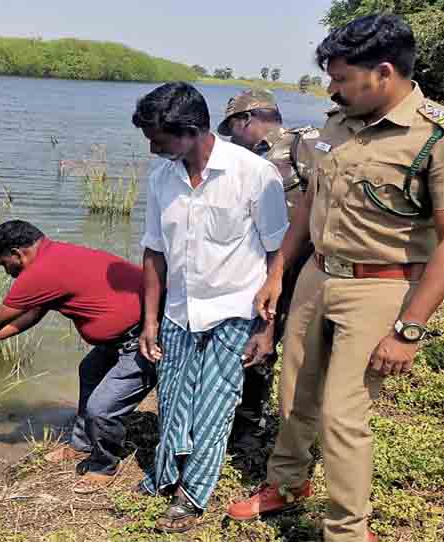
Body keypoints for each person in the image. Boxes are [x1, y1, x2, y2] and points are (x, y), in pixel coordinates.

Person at [226, 14, 444, 542]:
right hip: (317, 278)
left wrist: (409, 328)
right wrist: (279, 273)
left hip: (382, 285)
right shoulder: (338, 123)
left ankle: (347, 529)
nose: (331, 88)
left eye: (342, 79)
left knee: (343, 415)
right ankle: (288, 482)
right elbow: (310, 205)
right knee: (294, 391)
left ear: (383, 73)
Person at [132, 82, 289, 533]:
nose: (152, 148)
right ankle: (165, 475)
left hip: (236, 309)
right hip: (180, 310)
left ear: (192, 131)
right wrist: (150, 320)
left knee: (215, 405)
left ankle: (191, 495)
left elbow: (277, 253)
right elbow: (154, 251)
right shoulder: (162, 178)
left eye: (158, 139)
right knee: (174, 398)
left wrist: (266, 328)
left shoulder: (254, 174)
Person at [0, 220, 156, 494]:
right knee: (89, 371)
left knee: (101, 409)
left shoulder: (40, 272)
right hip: (120, 338)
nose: (7, 272)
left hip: (145, 339)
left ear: (17, 253)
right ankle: (81, 445)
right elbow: (30, 316)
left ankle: (104, 466)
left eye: (4, 264)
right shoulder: (56, 255)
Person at [218, 89, 318, 456]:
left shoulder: (300, 143)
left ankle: (287, 429)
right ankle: (246, 421)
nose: (231, 138)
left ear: (246, 119)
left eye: (232, 127)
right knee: (257, 342)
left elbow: (321, 200)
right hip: (260, 267)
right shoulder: (244, 158)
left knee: (297, 347)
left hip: (302, 267)